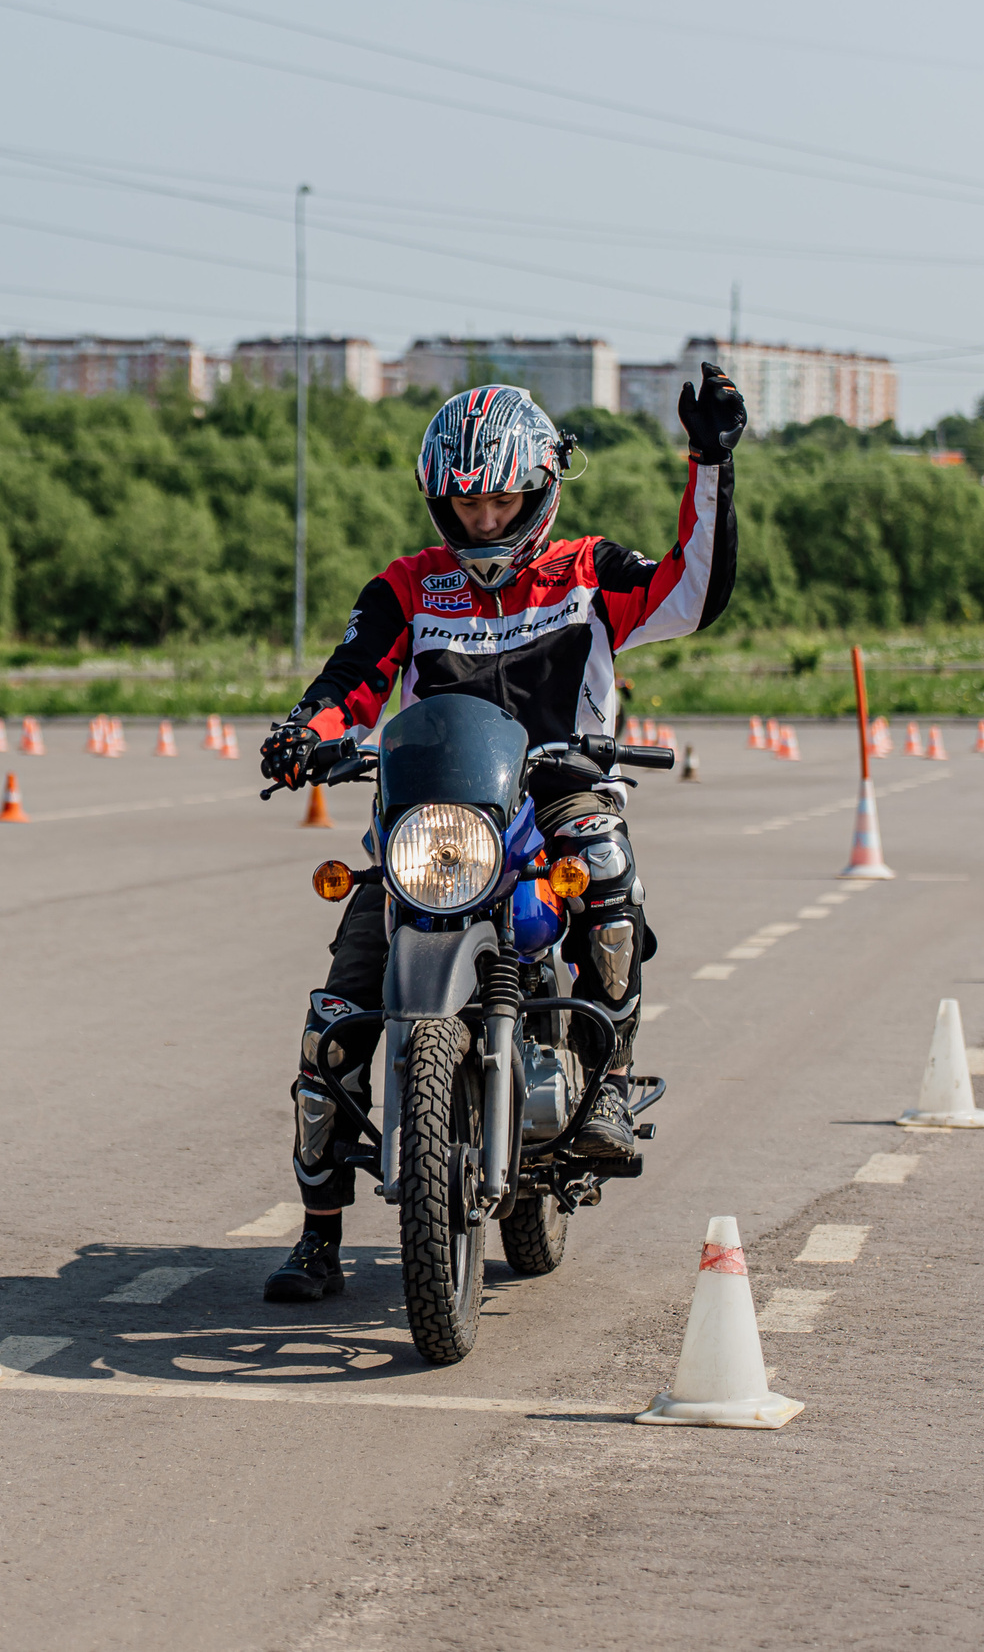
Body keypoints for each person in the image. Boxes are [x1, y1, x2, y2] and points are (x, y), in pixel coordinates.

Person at [254, 368, 746, 1303]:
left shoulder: (591, 573)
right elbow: (350, 685)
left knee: (603, 865)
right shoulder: (407, 587)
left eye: (502, 497)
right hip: (432, 822)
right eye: (467, 499)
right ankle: (317, 1238)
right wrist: (304, 738)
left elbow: (691, 591)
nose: (484, 517)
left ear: (541, 487)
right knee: (331, 1025)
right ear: (442, 497)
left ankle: (606, 1081)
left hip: (553, 799)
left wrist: (711, 464)